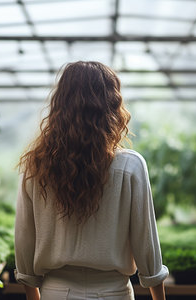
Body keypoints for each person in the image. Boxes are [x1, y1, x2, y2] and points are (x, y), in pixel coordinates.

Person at [14, 61, 168, 300]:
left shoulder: (35, 166)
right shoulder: (131, 166)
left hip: (56, 292)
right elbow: (146, 243)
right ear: (112, 105)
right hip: (114, 293)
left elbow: (24, 239)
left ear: (60, 104)